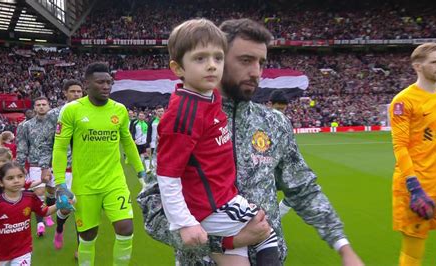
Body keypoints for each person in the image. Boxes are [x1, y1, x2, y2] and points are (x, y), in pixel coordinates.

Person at [138, 18, 364, 266]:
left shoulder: (274, 123)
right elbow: (153, 208)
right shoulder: (185, 121)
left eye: (261, 62)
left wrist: (343, 246)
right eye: (245, 60)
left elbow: (303, 189)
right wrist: (226, 242)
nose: (256, 71)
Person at [156, 18, 280, 266]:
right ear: (178, 68)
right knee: (266, 233)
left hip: (221, 199)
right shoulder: (183, 113)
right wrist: (185, 223)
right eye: (200, 58)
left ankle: (229, 243)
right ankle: (229, 240)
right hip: (214, 204)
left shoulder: (209, 96)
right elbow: (167, 175)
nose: (212, 66)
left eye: (218, 58)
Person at [52, 62, 146, 266]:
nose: (106, 86)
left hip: (114, 182)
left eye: (109, 82)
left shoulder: (119, 110)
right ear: (87, 85)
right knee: (87, 236)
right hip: (85, 185)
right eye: (100, 82)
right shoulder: (71, 111)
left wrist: (141, 171)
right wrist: (60, 183)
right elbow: (60, 148)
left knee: (125, 228)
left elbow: (128, 141)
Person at [389, 42, 436, 266]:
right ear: (418, 66)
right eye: (434, 62)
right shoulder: (403, 101)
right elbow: (400, 146)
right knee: (413, 255)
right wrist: (414, 188)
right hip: (414, 189)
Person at [41, 79, 83, 251]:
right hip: (63, 168)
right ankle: (59, 229)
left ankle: (82, 247)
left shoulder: (88, 111)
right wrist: (45, 166)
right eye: (72, 91)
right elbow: (44, 142)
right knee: (66, 207)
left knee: (83, 208)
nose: (76, 95)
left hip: (85, 168)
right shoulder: (54, 114)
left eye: (79, 92)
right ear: (65, 93)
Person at [0, 162, 59, 265]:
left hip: (23, 251)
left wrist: (59, 205)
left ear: (25, 178)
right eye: (10, 178)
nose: (16, 181)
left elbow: (44, 211)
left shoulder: (30, 197)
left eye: (20, 176)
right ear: (1, 182)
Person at [16, 96, 56, 237]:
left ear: (49, 106)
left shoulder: (57, 124)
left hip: (55, 163)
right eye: (38, 104)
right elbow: (21, 147)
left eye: (44, 104)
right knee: (38, 192)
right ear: (34, 108)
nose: (41, 107)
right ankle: (40, 223)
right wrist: (20, 167)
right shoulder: (25, 126)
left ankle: (47, 213)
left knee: (52, 191)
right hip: (35, 163)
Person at [147, 105, 164, 170]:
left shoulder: (166, 120)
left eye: (162, 111)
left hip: (164, 144)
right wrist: (147, 145)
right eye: (159, 111)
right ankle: (155, 173)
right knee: (155, 159)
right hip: (153, 144)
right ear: (156, 112)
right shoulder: (152, 121)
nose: (160, 113)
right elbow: (149, 133)